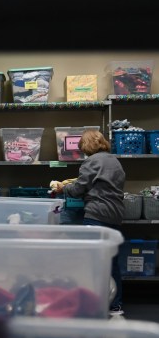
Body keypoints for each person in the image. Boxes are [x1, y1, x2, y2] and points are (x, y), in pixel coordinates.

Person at [51, 128, 126, 316]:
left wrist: (63, 188)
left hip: (96, 214)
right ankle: (115, 305)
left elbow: (79, 189)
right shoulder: (114, 161)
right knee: (112, 262)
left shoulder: (91, 161)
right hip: (115, 215)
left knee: (94, 262)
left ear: (87, 145)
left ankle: (96, 304)